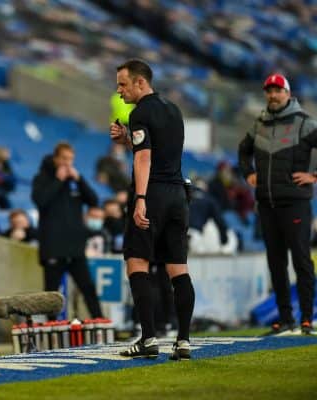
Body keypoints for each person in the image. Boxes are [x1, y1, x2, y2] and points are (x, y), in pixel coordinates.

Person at [110, 59, 195, 360]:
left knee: (137, 261)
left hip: (153, 194)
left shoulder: (140, 112)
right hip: (178, 195)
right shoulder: (174, 110)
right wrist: (127, 139)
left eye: (123, 84)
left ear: (140, 83)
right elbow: (160, 150)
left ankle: (148, 339)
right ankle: (183, 340)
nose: (119, 91)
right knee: (178, 268)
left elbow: (145, 160)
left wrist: (140, 199)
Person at [239, 73, 317, 336]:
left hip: (295, 203)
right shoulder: (259, 123)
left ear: (288, 93)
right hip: (267, 204)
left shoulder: (304, 122)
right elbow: (243, 150)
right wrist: (248, 173)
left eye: (277, 91)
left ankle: (307, 318)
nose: (272, 95)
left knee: (301, 261)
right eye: (268, 91)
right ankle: (285, 318)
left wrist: (313, 176)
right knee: (276, 263)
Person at [32, 141, 103, 319]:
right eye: (64, 158)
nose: (67, 163)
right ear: (56, 158)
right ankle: (51, 328)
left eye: (71, 159)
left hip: (75, 247)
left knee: (88, 287)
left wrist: (79, 180)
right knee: (51, 294)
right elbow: (41, 201)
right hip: (53, 247)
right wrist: (58, 180)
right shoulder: (42, 178)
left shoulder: (75, 181)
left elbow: (93, 200)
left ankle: (100, 322)